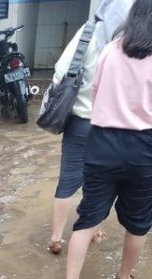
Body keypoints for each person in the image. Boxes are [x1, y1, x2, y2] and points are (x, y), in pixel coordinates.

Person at [60, 0, 152, 279]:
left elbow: (95, 94)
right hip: (146, 146)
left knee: (88, 217)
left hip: (102, 141)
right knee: (138, 222)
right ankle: (122, 278)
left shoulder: (113, 48)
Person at [48, 0, 133, 255]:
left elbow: (61, 72)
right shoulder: (136, 42)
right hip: (114, 126)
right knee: (99, 184)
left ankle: (55, 238)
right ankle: (94, 230)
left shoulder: (87, 32)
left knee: (67, 180)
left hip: (80, 121)